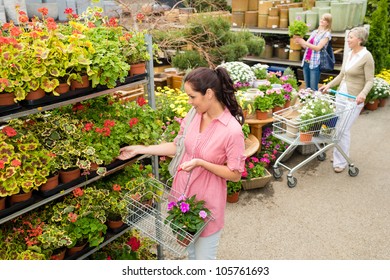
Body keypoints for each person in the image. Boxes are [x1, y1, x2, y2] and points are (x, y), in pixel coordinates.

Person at [118, 67, 246, 259]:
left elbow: (235, 174)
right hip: (181, 200)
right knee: (191, 255)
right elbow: (177, 146)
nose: (189, 102)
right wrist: (140, 149)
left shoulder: (232, 131)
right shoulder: (194, 115)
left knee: (203, 261)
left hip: (206, 207)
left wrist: (202, 163)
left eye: (192, 96)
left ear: (209, 94)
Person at [319, 26, 374, 173]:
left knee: (343, 129)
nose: (347, 39)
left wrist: (362, 94)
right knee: (338, 126)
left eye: (351, 37)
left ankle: (341, 162)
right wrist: (328, 85)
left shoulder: (366, 56)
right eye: (348, 37)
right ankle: (340, 153)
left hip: (354, 98)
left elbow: (370, 81)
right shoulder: (349, 54)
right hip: (341, 96)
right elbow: (342, 75)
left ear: (360, 40)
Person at [295, 13, 333, 90]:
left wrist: (305, 42)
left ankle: (314, 101)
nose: (322, 20)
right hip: (306, 61)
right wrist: (299, 41)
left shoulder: (327, 34)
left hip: (315, 63)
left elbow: (318, 48)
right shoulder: (315, 32)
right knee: (307, 87)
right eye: (321, 18)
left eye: (324, 20)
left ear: (328, 23)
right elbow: (306, 46)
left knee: (313, 88)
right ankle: (307, 101)